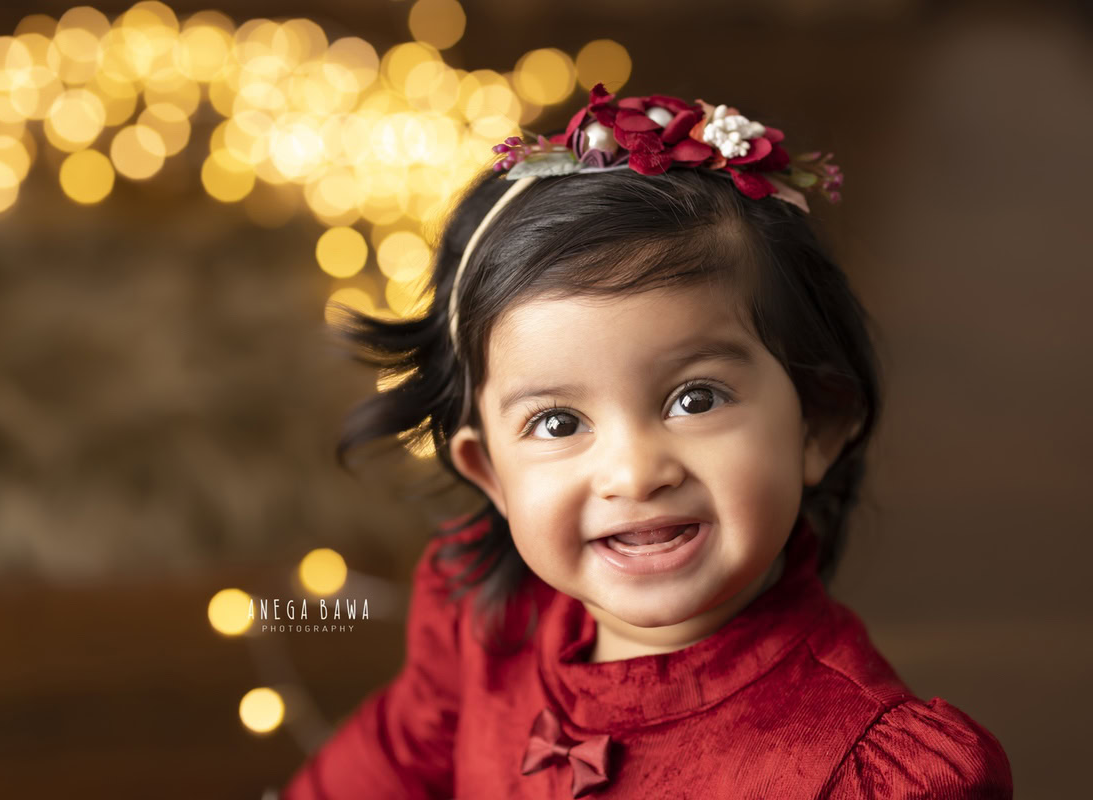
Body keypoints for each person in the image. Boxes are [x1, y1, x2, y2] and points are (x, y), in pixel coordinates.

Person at [282, 84, 1013, 799]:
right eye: (559, 422)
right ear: (492, 476)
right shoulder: (483, 616)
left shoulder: (864, 769)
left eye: (695, 400)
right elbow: (390, 765)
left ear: (816, 424)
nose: (634, 473)